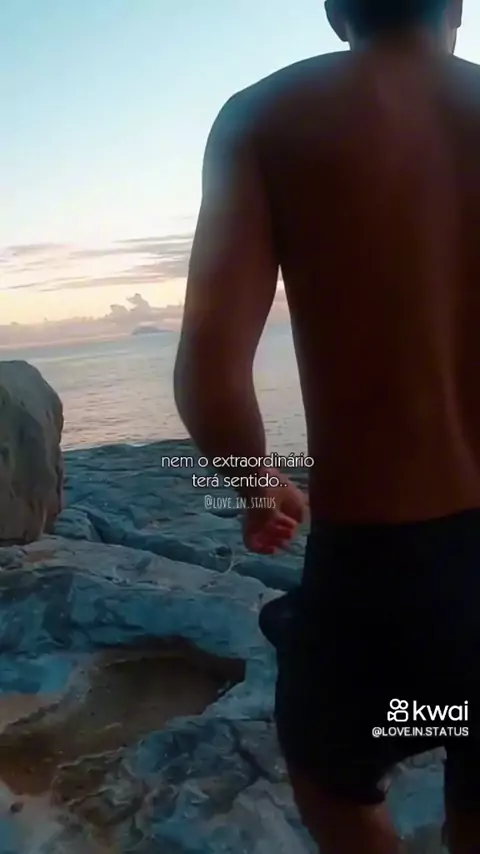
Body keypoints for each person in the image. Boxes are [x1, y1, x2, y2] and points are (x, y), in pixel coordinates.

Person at [173, 0, 480, 850]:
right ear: (458, 5)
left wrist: (256, 485)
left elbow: (209, 374)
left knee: (335, 779)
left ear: (337, 12)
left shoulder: (267, 117)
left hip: (385, 570)